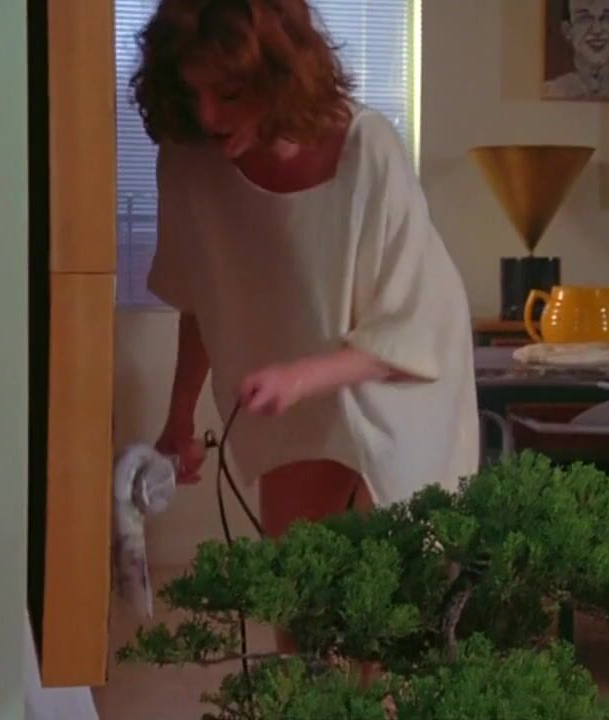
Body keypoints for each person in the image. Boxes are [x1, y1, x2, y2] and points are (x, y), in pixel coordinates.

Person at [133, 0, 480, 548]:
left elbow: (414, 331)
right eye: (191, 93)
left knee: (389, 575)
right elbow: (203, 295)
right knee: (297, 575)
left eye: (229, 94)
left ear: (277, 78)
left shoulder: (366, 149)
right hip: (290, 400)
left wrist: (298, 378)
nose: (208, 117)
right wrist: (179, 417)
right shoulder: (188, 158)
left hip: (398, 387)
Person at [543, 0, 609, 100]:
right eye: (585, 18)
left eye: (607, 18)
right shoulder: (549, 92)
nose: (597, 30)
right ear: (567, 30)